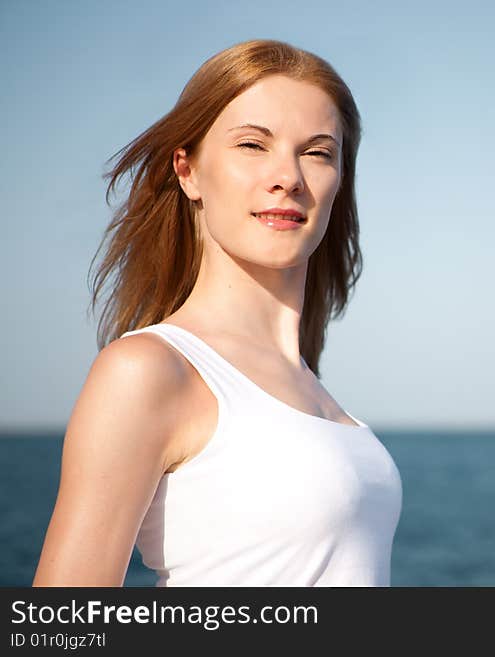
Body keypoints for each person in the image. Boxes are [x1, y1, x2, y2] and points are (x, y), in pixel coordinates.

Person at [32, 39, 402, 586]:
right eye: (253, 144)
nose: (289, 177)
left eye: (318, 152)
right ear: (189, 171)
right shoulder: (149, 370)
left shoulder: (311, 387)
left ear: (339, 179)